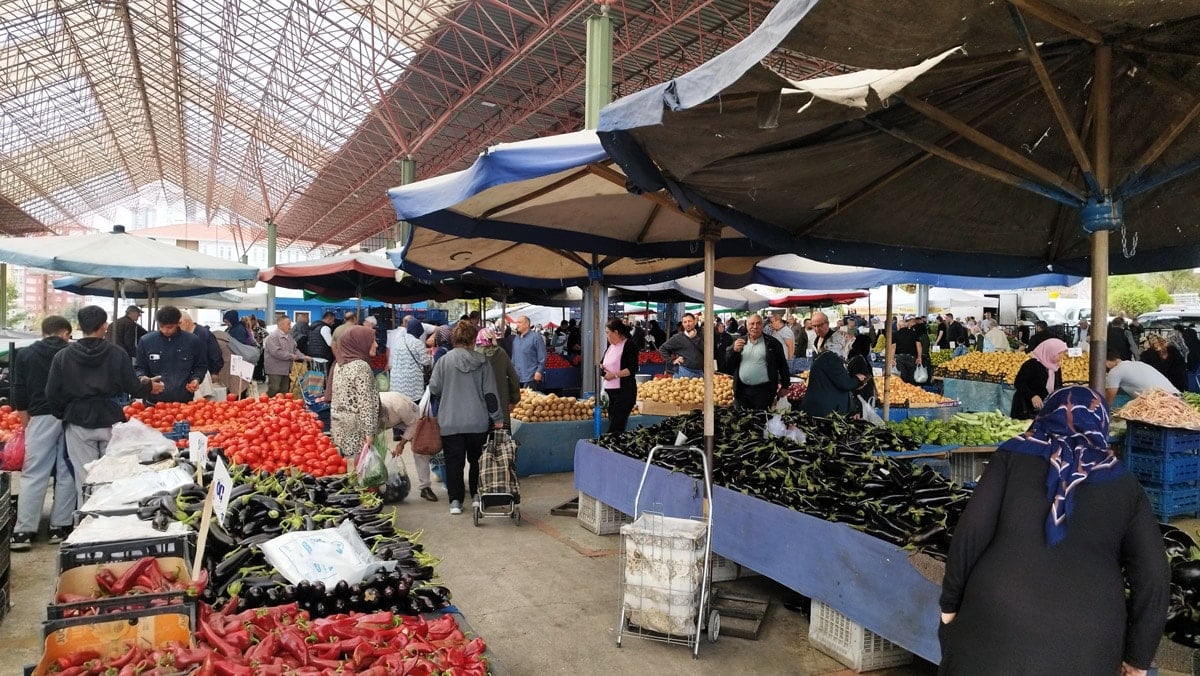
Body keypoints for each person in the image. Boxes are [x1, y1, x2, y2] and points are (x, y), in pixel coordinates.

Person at [939, 386, 1168, 676]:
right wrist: (1139, 656)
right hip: (1090, 639)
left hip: (996, 619)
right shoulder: (1125, 484)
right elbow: (1154, 576)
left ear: (1047, 415)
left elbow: (971, 532)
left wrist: (950, 604)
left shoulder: (1011, 455)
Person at [46, 305, 163, 501]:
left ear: (79, 326)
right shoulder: (116, 353)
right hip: (110, 418)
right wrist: (149, 386)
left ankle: (87, 518)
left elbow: (52, 393)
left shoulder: (63, 356)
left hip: (78, 420)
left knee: (85, 478)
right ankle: (110, 515)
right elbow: (132, 386)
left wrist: (65, 413)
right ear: (104, 326)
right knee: (113, 475)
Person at [10, 316, 75, 550]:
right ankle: (60, 526)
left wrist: (26, 420)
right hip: (70, 417)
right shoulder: (72, 353)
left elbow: (18, 389)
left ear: (44, 332)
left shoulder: (25, 354)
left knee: (34, 472)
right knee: (66, 471)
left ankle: (24, 530)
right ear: (65, 333)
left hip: (39, 417)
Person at [429, 321, 503, 516]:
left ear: (455, 339)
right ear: (472, 339)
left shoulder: (444, 361)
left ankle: (455, 501)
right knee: (477, 460)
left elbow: (434, 388)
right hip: (477, 421)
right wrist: (497, 417)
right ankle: (477, 496)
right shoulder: (482, 362)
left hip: (450, 421)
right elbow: (490, 394)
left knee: (454, 462)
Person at [389, 317, 436, 502]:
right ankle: (424, 486)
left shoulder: (398, 340)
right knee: (418, 437)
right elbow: (427, 363)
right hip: (413, 396)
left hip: (395, 394)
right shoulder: (417, 343)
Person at [136, 306, 207, 404]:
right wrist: (143, 379)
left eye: (169, 327)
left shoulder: (193, 341)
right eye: (161, 327)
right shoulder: (146, 341)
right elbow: (139, 367)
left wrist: (196, 379)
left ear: (178, 323)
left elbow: (200, 366)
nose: (165, 330)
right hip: (153, 404)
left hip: (183, 402)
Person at [329, 325, 379, 462]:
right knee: (359, 469)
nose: (376, 344)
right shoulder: (361, 367)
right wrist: (369, 433)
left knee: (348, 466)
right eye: (372, 341)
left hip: (341, 425)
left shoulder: (340, 363)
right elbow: (365, 403)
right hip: (357, 430)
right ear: (360, 343)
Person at [726, 314, 789, 410]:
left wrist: (785, 385)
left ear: (763, 326)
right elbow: (728, 363)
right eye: (752, 324)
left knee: (760, 420)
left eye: (758, 323)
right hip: (742, 390)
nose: (755, 326)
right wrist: (733, 351)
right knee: (741, 419)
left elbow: (783, 365)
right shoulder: (739, 341)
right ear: (746, 326)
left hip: (763, 392)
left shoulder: (772, 343)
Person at [801, 343, 865, 417]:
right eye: (849, 345)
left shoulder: (827, 357)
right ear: (840, 345)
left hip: (821, 406)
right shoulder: (831, 358)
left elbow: (837, 379)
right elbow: (845, 383)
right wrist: (857, 380)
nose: (851, 348)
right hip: (824, 409)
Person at [1011, 338, 1067, 420]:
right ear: (1050, 352)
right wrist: (1032, 396)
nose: (1061, 356)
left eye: (1063, 353)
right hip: (1026, 410)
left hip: (1044, 411)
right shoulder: (1031, 365)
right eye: (1059, 353)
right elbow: (1019, 383)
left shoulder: (1056, 368)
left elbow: (1058, 386)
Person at [477, 327, 521, 428]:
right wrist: (514, 400)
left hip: (481, 406)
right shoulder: (502, 353)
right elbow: (513, 378)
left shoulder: (475, 356)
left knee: (483, 440)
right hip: (501, 403)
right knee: (502, 439)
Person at [601, 319, 639, 433]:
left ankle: (611, 447)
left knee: (616, 426)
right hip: (610, 393)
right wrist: (601, 369)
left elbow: (632, 369)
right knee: (613, 421)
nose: (606, 335)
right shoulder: (610, 347)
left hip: (623, 393)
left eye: (608, 332)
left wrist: (614, 375)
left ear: (616, 332)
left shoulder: (629, 345)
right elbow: (602, 363)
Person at [1105, 349, 1179, 405]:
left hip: (1162, 403)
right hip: (1176, 398)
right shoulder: (1137, 364)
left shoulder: (1115, 371)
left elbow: (1108, 401)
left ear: (1106, 362)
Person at [264, 317, 308, 397]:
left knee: (285, 389)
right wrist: (290, 356)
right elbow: (276, 352)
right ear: (281, 325)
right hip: (275, 369)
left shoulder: (289, 337)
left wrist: (303, 357)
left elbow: (295, 349)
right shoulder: (273, 337)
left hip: (286, 369)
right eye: (288, 324)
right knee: (274, 388)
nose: (290, 326)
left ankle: (281, 406)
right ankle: (267, 403)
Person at [659, 313, 705, 378]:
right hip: (684, 372)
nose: (687, 324)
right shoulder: (678, 337)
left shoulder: (701, 336)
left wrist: (695, 338)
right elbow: (662, 348)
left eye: (689, 321)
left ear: (695, 322)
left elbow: (706, 351)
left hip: (700, 372)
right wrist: (672, 360)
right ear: (682, 324)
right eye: (685, 322)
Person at [511, 315, 546, 389]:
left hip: (531, 376)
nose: (517, 324)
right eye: (517, 322)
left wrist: (539, 371)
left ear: (527, 324)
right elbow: (513, 358)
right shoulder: (516, 339)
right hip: (517, 376)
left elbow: (542, 357)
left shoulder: (536, 337)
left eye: (519, 322)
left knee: (530, 399)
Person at [890, 316, 923, 385]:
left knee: (902, 378)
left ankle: (904, 392)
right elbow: (919, 345)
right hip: (912, 358)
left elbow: (893, 347)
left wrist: (892, 358)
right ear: (906, 325)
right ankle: (912, 391)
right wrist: (919, 357)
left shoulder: (895, 334)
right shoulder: (914, 333)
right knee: (912, 377)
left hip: (900, 358)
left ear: (899, 326)